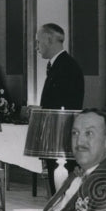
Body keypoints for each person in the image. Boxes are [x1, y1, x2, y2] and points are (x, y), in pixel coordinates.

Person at [36, 23, 84, 194]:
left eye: (39, 42)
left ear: (49, 40)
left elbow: (66, 106)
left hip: (60, 138)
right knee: (56, 184)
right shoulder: (59, 65)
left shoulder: (67, 68)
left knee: (62, 187)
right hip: (55, 136)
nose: (37, 47)